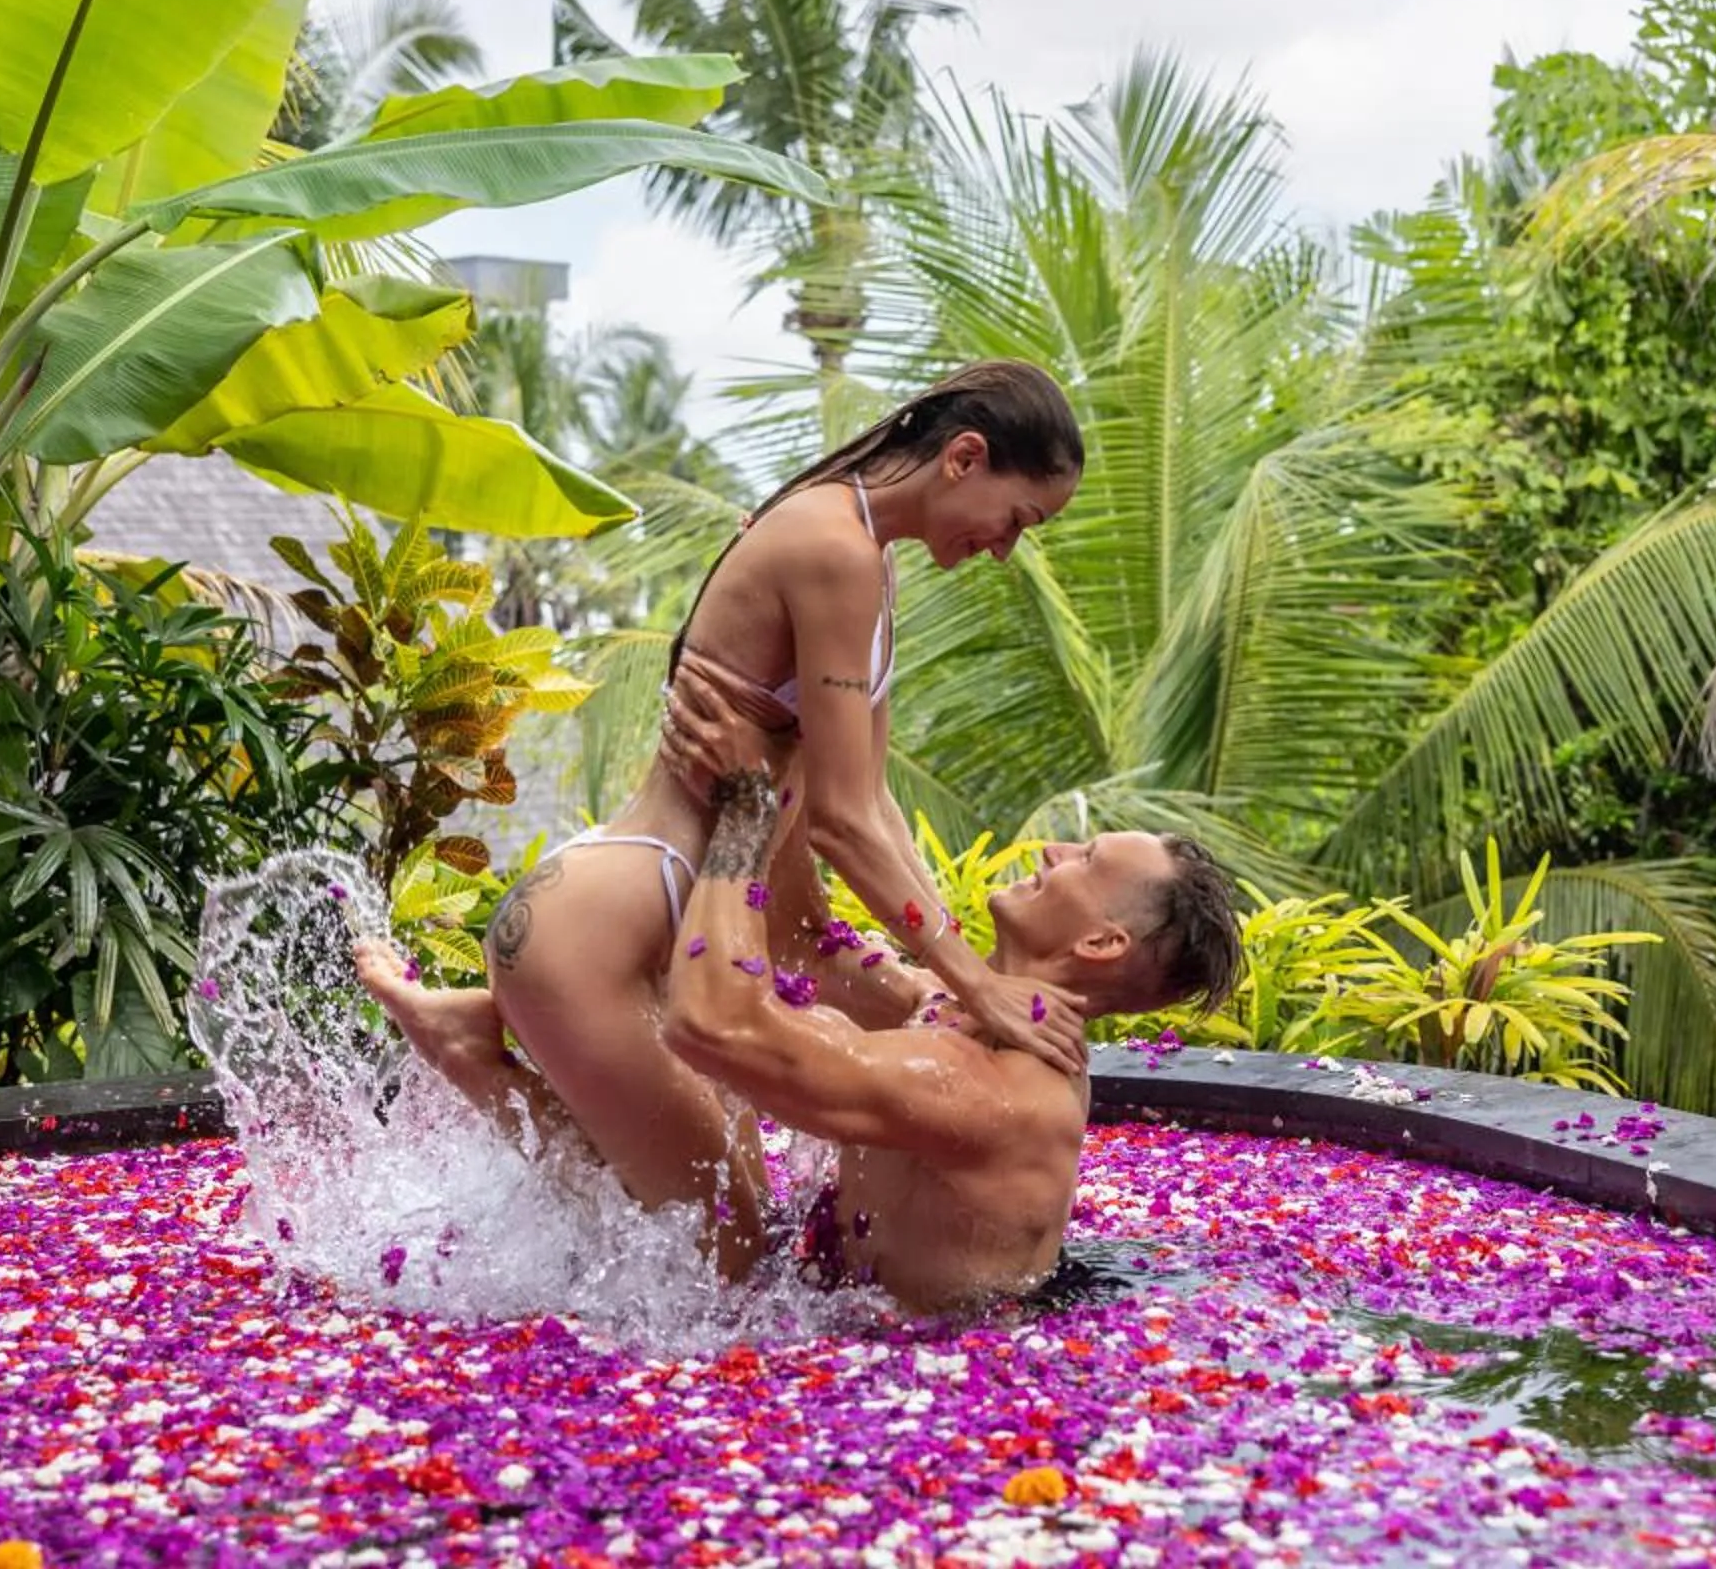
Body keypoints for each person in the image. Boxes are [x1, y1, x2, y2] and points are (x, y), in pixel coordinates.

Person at [466, 363, 1089, 1274]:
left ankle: (470, 1033)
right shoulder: (831, 548)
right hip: (599, 937)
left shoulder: (870, 560)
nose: (1005, 549)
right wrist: (972, 976)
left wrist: (944, 977)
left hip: (677, 911)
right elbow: (836, 822)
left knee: (706, 1219)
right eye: (1019, 520)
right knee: (726, 1253)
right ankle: (470, 1057)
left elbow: (869, 801)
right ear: (966, 458)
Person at [352, 752, 1245, 1312]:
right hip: (834, 1298)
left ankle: (475, 1058)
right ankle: (479, 1053)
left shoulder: (994, 1088)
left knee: (716, 1252)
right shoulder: (969, 1010)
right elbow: (815, 947)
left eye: (1085, 860)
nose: (1054, 852)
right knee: (716, 1172)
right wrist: (791, 723)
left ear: (1099, 942)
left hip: (928, 1371)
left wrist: (742, 826)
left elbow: (713, 1027)